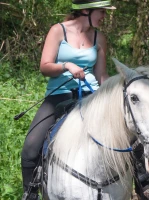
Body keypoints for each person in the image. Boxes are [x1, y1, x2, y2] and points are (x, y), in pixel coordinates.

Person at [20, 0, 112, 199]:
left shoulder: (99, 37)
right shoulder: (57, 30)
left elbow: (101, 75)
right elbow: (45, 66)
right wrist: (66, 66)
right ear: (86, 10)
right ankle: (30, 193)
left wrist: (110, 94)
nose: (105, 16)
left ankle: (143, 181)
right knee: (31, 146)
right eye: (102, 12)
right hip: (58, 94)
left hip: (90, 96)